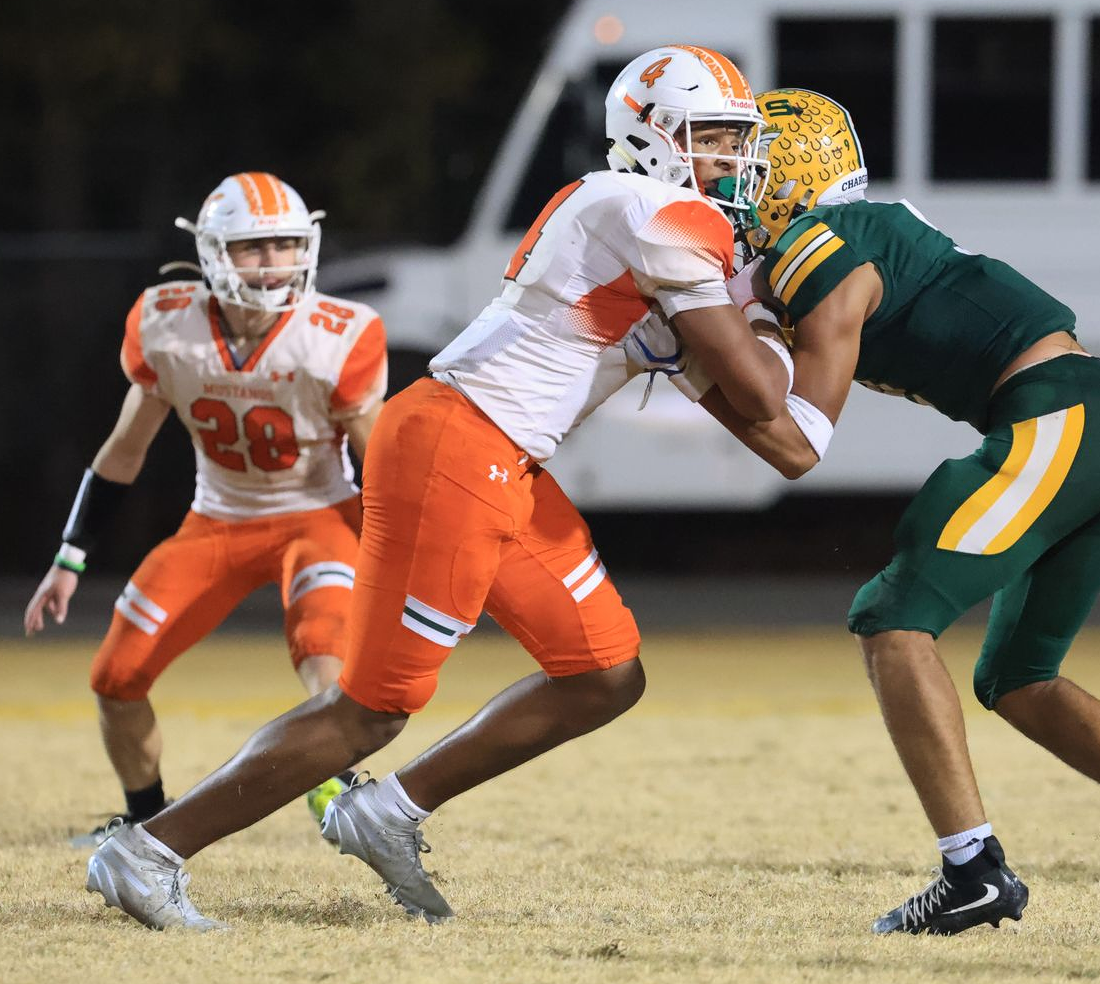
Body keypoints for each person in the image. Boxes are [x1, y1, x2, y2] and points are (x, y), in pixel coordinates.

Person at [85, 45, 799, 931]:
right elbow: (762, 396)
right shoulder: (656, 212)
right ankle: (148, 852)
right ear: (653, 136)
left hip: (504, 458)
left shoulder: (626, 210)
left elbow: (784, 444)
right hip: (458, 447)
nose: (732, 159)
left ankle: (386, 812)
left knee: (603, 674)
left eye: (735, 139)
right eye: (713, 137)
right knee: (370, 711)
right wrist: (780, 307)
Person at [696, 88, 1100, 936]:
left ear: (791, 175)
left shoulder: (819, 242)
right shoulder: (846, 239)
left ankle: (971, 871)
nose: (728, 181)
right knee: (1018, 680)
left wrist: (691, 360)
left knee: (891, 618)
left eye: (744, 162)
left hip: (1055, 418)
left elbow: (796, 443)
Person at [24, 172, 387, 846]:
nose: (274, 262)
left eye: (286, 243)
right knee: (115, 676)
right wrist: (70, 556)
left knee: (325, 650)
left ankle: (335, 788)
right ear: (214, 253)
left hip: (321, 516)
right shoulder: (168, 325)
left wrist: (405, 554)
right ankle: (144, 821)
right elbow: (125, 449)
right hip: (218, 519)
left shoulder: (337, 333)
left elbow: (383, 467)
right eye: (254, 247)